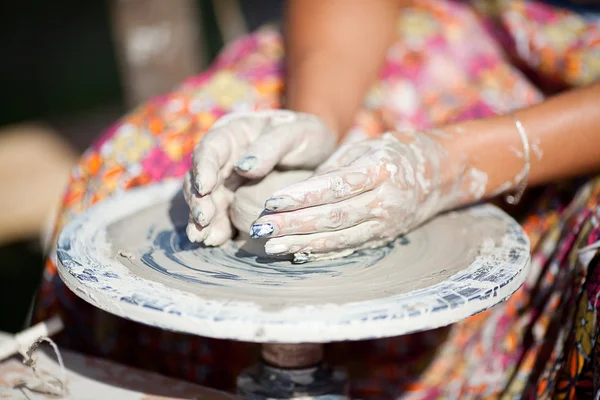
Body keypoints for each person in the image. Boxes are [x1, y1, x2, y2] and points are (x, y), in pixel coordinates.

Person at [35, 0, 600, 398]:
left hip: (578, 107)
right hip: (449, 28)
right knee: (132, 170)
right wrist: (319, 119)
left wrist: (453, 165)